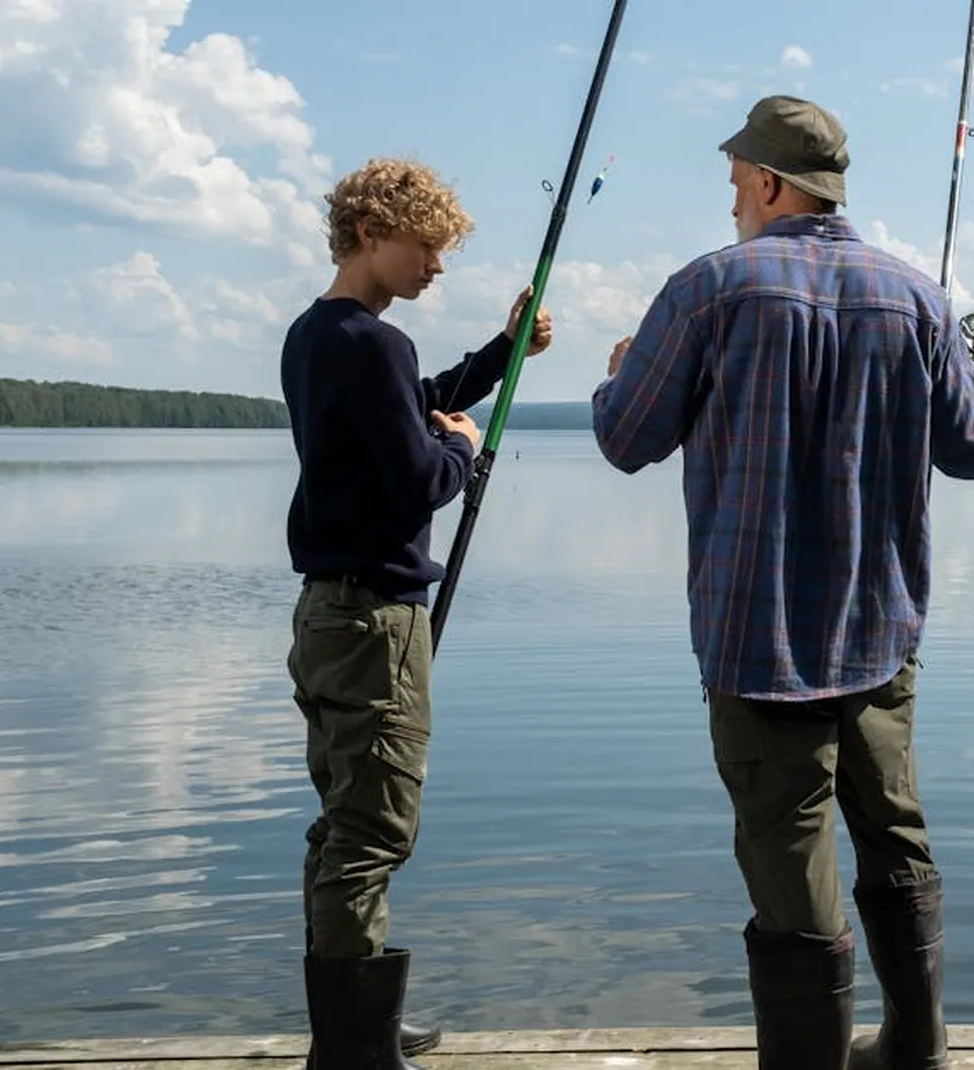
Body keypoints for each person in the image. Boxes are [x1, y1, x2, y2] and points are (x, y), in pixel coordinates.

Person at [591, 95, 974, 1069]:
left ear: (770, 182)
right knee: (893, 832)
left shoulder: (708, 289)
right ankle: (915, 1044)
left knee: (788, 860)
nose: (733, 200)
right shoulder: (914, 296)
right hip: (879, 630)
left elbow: (623, 437)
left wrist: (617, 374)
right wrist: (960, 357)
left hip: (755, 635)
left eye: (737, 182)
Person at [282, 156, 553, 1068]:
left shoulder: (318, 336)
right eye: (426, 247)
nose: (437, 266)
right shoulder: (373, 344)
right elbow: (416, 479)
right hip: (375, 627)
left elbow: (411, 408)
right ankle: (354, 1050)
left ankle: (351, 1029)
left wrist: (502, 352)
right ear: (370, 233)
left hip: (325, 618)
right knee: (374, 828)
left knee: (341, 821)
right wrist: (465, 452)